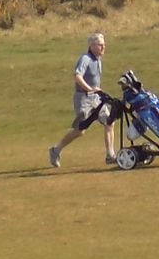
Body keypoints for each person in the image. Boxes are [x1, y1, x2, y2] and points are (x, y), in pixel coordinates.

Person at [48, 32, 118, 168]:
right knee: (80, 130)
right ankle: (55, 150)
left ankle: (110, 155)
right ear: (91, 46)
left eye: (104, 45)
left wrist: (97, 91)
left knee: (109, 121)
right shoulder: (85, 59)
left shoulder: (98, 60)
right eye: (100, 45)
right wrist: (89, 89)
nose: (103, 47)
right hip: (83, 98)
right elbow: (77, 76)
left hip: (96, 98)